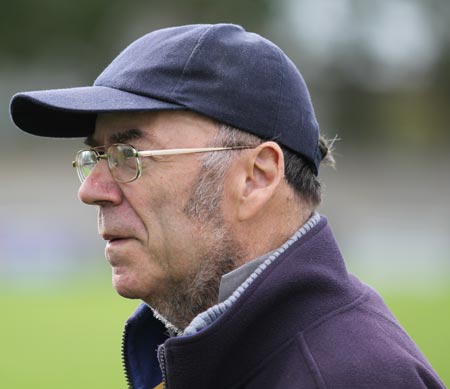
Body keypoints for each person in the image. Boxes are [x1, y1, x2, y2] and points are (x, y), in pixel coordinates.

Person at [10, 23, 444, 389]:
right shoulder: (211, 350)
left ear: (256, 177)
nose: (92, 190)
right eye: (96, 157)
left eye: (129, 155)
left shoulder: (348, 377)